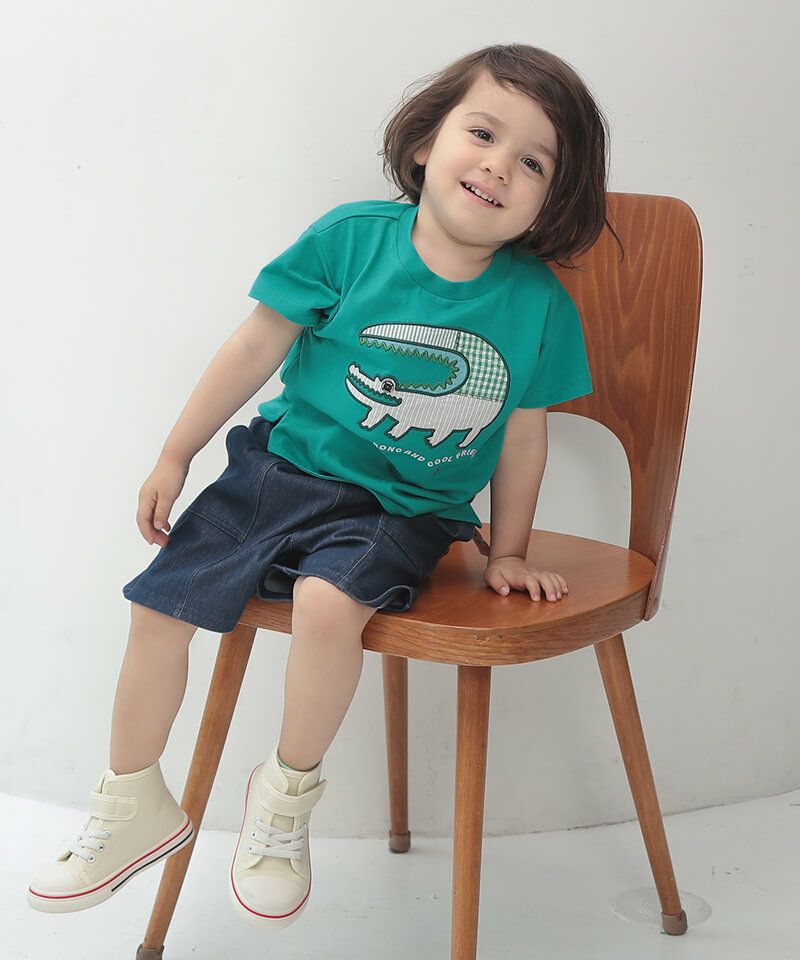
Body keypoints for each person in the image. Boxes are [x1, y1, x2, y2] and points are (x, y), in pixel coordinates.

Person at [27, 42, 620, 928]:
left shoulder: (538, 304)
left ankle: (284, 798)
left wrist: (509, 550)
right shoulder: (349, 241)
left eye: (534, 162)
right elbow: (254, 345)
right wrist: (175, 453)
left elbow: (523, 435)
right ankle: (131, 799)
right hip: (279, 470)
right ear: (425, 143)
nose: (500, 164)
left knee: (326, 602)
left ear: (552, 200)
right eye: (483, 133)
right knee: (157, 605)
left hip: (402, 508)